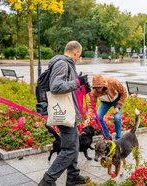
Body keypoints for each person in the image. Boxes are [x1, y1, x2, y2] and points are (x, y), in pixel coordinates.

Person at [39, 41, 91, 186]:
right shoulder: (62, 63)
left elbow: (69, 87)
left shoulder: (67, 64)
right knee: (70, 149)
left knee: (73, 145)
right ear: (76, 52)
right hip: (64, 112)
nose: (78, 58)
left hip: (69, 111)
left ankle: (73, 176)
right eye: (79, 55)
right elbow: (56, 87)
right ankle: (48, 181)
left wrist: (82, 86)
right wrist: (77, 82)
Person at [87, 74, 127, 140]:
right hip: (105, 103)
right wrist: (89, 117)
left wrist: (118, 107)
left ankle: (118, 138)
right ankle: (107, 137)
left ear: (103, 84)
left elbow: (124, 93)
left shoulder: (113, 82)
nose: (98, 90)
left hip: (117, 101)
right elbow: (91, 105)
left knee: (117, 118)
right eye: (96, 88)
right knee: (97, 118)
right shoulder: (94, 91)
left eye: (99, 87)